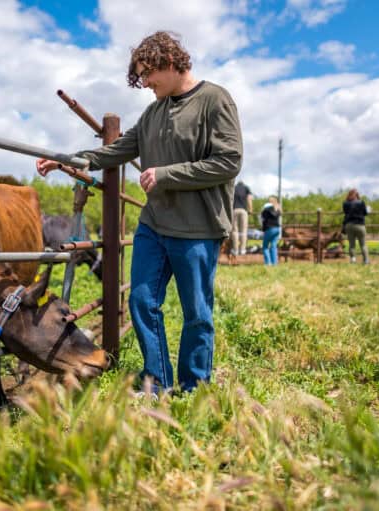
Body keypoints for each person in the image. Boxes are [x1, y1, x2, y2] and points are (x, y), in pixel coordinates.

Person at [36, 31, 243, 395]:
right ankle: (158, 381)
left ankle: (195, 387)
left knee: (196, 313)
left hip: (197, 228)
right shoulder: (153, 113)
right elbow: (117, 150)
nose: (145, 82)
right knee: (141, 301)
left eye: (148, 73)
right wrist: (67, 160)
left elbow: (228, 162)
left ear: (169, 61)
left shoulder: (214, 100)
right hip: (154, 225)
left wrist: (166, 174)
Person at [342, 188, 370, 264]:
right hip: (360, 225)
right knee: (363, 244)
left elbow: (345, 212)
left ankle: (353, 260)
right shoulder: (361, 202)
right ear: (357, 194)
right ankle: (366, 260)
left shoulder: (345, 203)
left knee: (351, 245)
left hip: (349, 225)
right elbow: (365, 213)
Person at [232, 180, 253, 255]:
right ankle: (242, 250)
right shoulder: (246, 188)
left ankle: (235, 250)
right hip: (243, 210)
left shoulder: (234, 187)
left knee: (234, 231)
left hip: (234, 210)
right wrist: (250, 209)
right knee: (243, 231)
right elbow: (249, 199)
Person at [260, 196, 281, 266]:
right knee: (273, 246)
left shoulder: (266, 209)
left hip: (269, 229)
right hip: (277, 229)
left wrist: (263, 229)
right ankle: (274, 263)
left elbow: (262, 219)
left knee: (265, 246)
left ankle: (267, 263)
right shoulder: (278, 208)